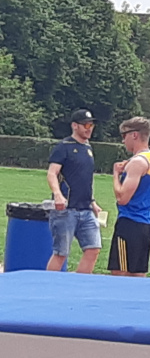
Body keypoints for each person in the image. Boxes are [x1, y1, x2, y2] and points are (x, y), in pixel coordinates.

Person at [46, 109, 103, 273]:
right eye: (86, 125)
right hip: (66, 209)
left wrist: (92, 201)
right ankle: (49, 284)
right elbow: (52, 173)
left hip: (86, 209)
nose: (89, 128)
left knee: (93, 248)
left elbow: (84, 178)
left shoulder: (88, 148)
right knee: (61, 253)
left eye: (91, 125)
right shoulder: (63, 147)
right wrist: (58, 195)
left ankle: (79, 282)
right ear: (75, 126)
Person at [108, 117, 150, 277]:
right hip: (145, 223)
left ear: (135, 135)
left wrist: (115, 175)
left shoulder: (137, 162)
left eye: (124, 135)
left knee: (120, 272)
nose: (123, 140)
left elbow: (122, 198)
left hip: (129, 222)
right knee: (138, 273)